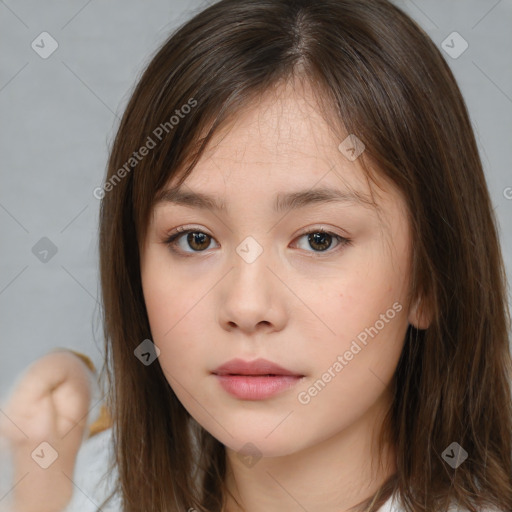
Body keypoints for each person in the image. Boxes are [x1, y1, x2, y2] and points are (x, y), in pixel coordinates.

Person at [1, 0, 511, 510]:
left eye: (319, 240)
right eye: (195, 239)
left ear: (430, 279)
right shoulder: (73, 482)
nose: (247, 307)